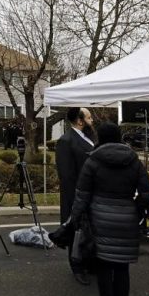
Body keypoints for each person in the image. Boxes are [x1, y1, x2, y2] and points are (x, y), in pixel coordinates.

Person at [70, 122, 149, 296]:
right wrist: (135, 208)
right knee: (122, 267)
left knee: (105, 267)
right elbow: (147, 193)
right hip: (126, 218)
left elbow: (82, 194)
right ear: (119, 137)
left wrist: (74, 219)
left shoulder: (93, 160)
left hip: (100, 218)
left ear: (100, 137)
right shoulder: (133, 160)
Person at [55, 107, 95, 285]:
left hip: (91, 193)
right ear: (80, 121)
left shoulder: (90, 137)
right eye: (88, 117)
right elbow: (66, 175)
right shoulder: (66, 141)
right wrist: (75, 200)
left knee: (88, 230)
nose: (92, 120)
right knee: (75, 230)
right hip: (76, 194)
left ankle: (89, 263)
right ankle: (77, 266)